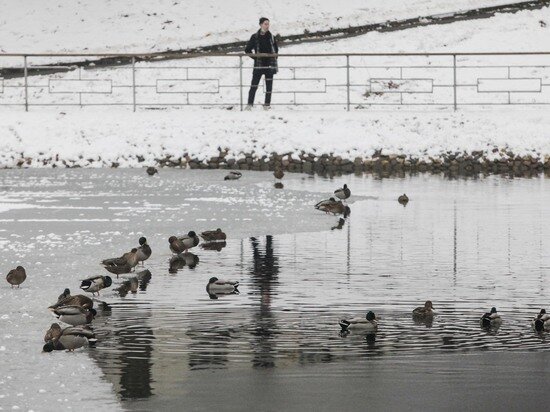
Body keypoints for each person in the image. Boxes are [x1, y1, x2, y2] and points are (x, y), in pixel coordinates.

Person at [245, 17, 278, 110]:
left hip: (269, 65)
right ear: (260, 25)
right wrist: (255, 58)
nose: (267, 26)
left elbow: (276, 50)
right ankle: (249, 104)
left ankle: (267, 105)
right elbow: (247, 50)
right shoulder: (255, 37)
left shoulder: (271, 37)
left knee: (269, 87)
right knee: (254, 86)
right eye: (265, 24)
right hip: (258, 65)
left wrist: (274, 57)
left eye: (268, 24)